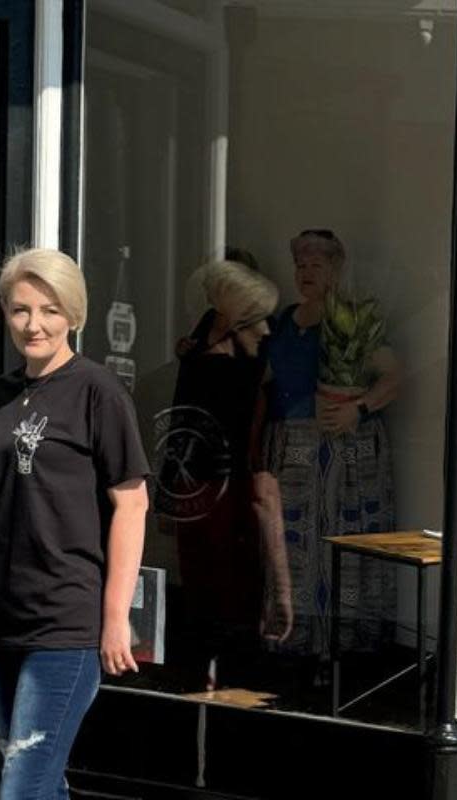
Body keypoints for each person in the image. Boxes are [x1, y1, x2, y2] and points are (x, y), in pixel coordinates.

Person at [0, 248, 150, 800]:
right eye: (20, 310)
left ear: (74, 316)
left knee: (22, 789)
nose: (34, 324)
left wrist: (114, 618)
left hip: (64, 624)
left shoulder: (97, 391)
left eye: (50, 310)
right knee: (38, 782)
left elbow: (132, 504)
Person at [263, 229, 401, 667]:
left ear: (335, 270)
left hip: (343, 450)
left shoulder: (351, 319)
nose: (305, 273)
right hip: (293, 450)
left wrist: (357, 409)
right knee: (294, 543)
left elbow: (394, 377)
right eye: (300, 265)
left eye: (315, 265)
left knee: (337, 540)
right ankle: (296, 638)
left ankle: (342, 644)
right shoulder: (286, 319)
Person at [159, 260, 292, 690]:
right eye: (259, 323)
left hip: (193, 499)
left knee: (201, 625)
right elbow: (256, 478)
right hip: (228, 509)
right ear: (236, 326)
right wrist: (282, 587)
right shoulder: (235, 379)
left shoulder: (199, 361)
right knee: (235, 635)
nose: (268, 333)